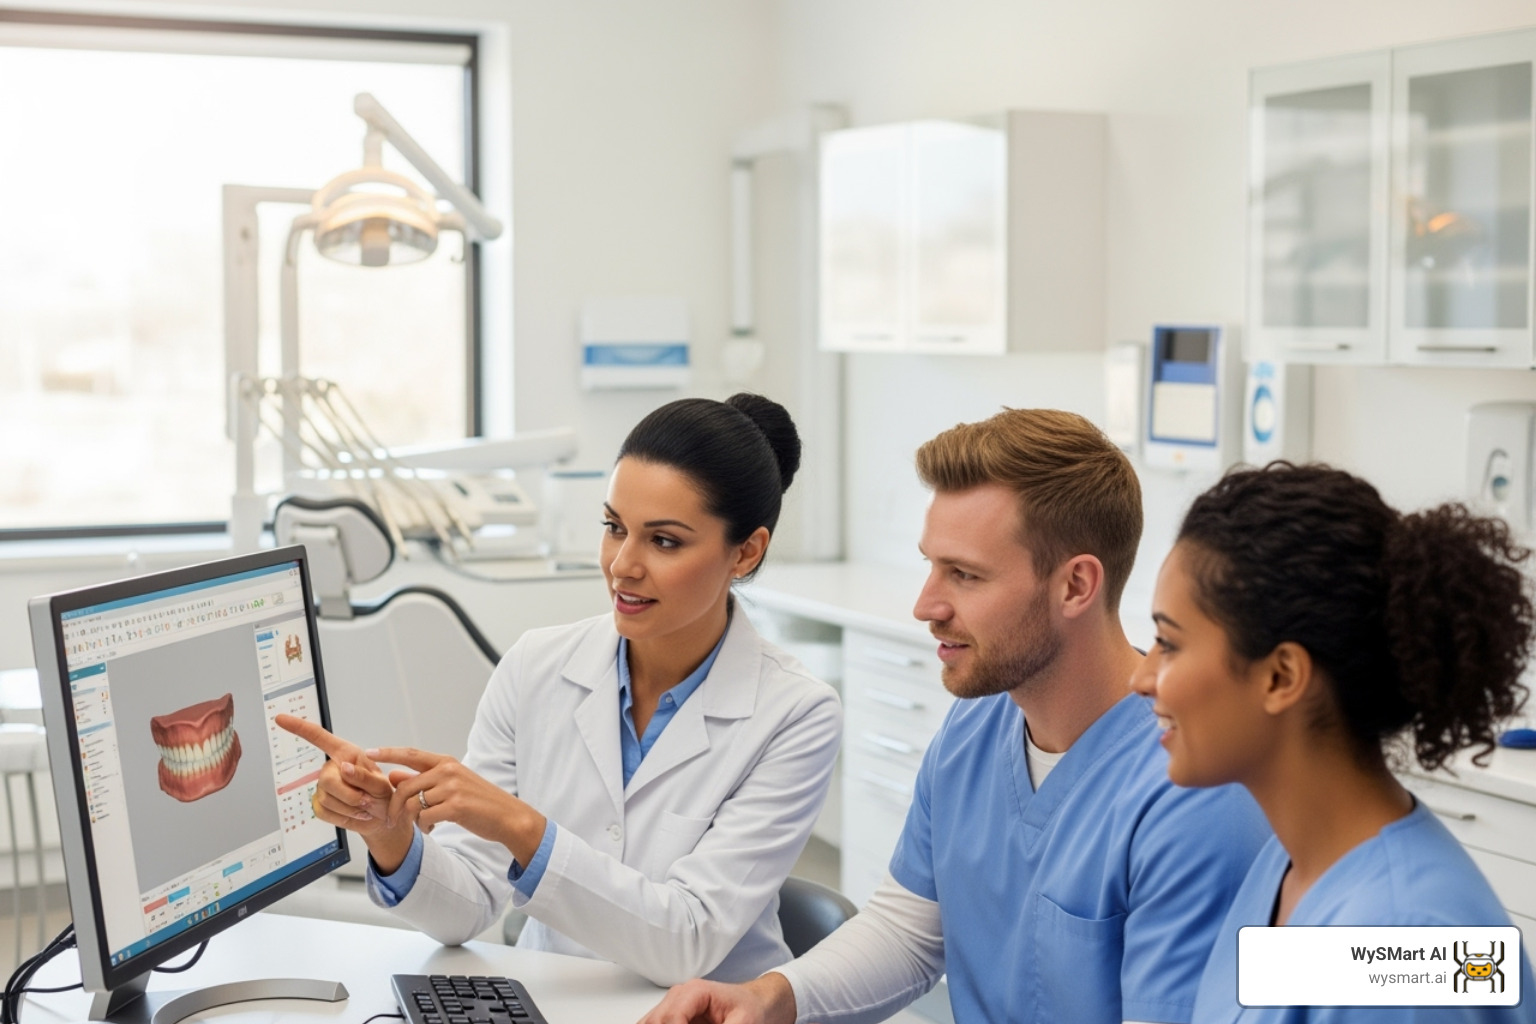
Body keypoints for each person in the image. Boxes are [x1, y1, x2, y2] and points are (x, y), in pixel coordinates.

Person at [640, 408, 1271, 1024]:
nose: (926, 605)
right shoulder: (976, 726)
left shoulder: (1195, 795)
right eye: (931, 565)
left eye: (965, 575)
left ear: (1076, 586)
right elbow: (908, 931)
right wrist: (769, 999)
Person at [277, 393, 842, 986]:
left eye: (664, 541)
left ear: (746, 552)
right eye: (614, 528)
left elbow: (688, 940)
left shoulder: (796, 714)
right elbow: (467, 905)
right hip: (556, 1003)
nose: (622, 565)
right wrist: (387, 834)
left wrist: (521, 828)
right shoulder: (535, 667)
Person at [1129, 462, 1536, 1022]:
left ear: (1281, 677)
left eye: (1169, 643)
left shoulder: (1409, 948)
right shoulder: (1289, 866)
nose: (1142, 677)